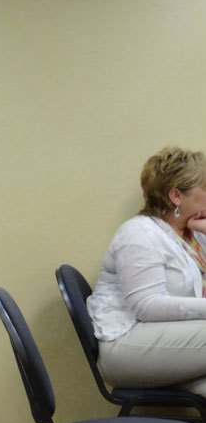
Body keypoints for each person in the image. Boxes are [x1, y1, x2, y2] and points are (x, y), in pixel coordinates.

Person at [87, 146, 206, 395]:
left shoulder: (193, 235)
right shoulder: (139, 233)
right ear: (176, 196)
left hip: (175, 345)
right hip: (127, 346)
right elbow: (147, 306)